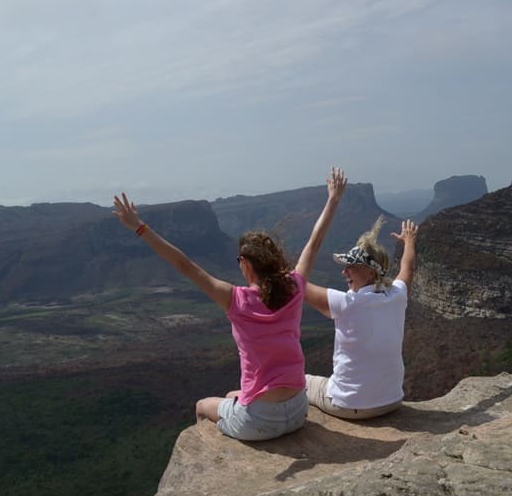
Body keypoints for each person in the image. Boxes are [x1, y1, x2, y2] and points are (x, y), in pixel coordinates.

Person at [111, 167, 347, 441]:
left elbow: (184, 265)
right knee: (231, 395)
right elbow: (314, 243)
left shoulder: (235, 299)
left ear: (246, 265)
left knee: (203, 405)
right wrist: (333, 198)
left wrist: (139, 227)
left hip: (259, 422)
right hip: (297, 411)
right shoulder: (295, 286)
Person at [303, 215, 419, 419]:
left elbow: (297, 285)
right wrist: (409, 241)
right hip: (392, 401)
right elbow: (407, 268)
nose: (344, 272)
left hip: (349, 406)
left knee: (296, 380)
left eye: (352, 267)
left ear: (373, 273)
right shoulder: (397, 295)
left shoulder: (347, 304)